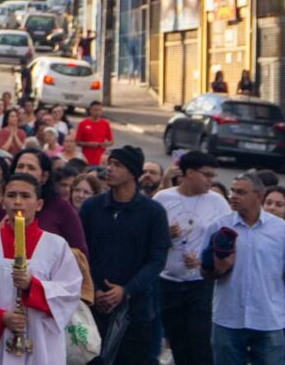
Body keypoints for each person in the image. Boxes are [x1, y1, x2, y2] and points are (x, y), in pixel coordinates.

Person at [0, 173, 83, 365]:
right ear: (2, 202)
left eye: (25, 196)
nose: (17, 202)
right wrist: (1, 317)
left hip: (42, 342)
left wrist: (32, 286)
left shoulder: (56, 246)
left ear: (39, 204)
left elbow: (70, 293)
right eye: (11, 195)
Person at [78, 145, 171, 365]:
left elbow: (157, 259)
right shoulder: (92, 207)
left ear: (133, 172)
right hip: (93, 310)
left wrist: (126, 290)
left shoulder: (153, 212)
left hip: (135, 312)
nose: (109, 169)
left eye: (117, 165)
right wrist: (95, 290)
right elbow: (80, 253)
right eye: (109, 163)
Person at [153, 150, 229, 365]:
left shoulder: (217, 202)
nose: (211, 181)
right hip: (168, 282)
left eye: (213, 176)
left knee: (201, 342)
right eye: (207, 175)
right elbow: (148, 238)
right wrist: (165, 235)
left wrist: (206, 260)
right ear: (189, 173)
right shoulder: (163, 198)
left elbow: (227, 240)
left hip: (200, 284)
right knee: (178, 343)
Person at [202, 172, 285, 365]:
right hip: (228, 319)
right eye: (232, 191)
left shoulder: (281, 230)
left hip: (269, 319)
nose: (234, 196)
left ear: (258, 195)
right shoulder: (219, 226)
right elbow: (204, 273)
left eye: (241, 192)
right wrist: (218, 268)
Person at [0, 148, 88, 256]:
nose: (24, 172)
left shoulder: (61, 207)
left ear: (44, 176)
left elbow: (79, 252)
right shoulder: (7, 204)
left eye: (31, 168)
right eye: (20, 166)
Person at [74, 101, 114, 166]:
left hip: (100, 159)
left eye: (99, 110)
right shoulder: (83, 124)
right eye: (95, 110)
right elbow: (77, 142)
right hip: (86, 158)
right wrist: (88, 144)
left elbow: (111, 141)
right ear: (90, 110)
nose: (97, 112)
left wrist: (105, 144)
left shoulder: (105, 124)